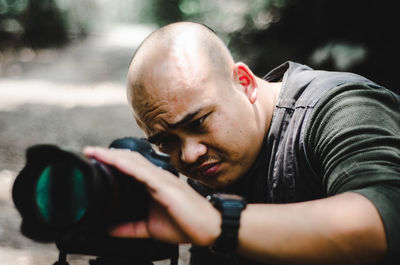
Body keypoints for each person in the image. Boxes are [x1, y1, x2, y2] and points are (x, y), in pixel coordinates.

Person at [83, 22, 400, 265]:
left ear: (244, 82)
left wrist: (218, 223)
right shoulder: (213, 170)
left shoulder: (339, 109)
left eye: (199, 122)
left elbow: (385, 218)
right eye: (166, 141)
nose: (190, 154)